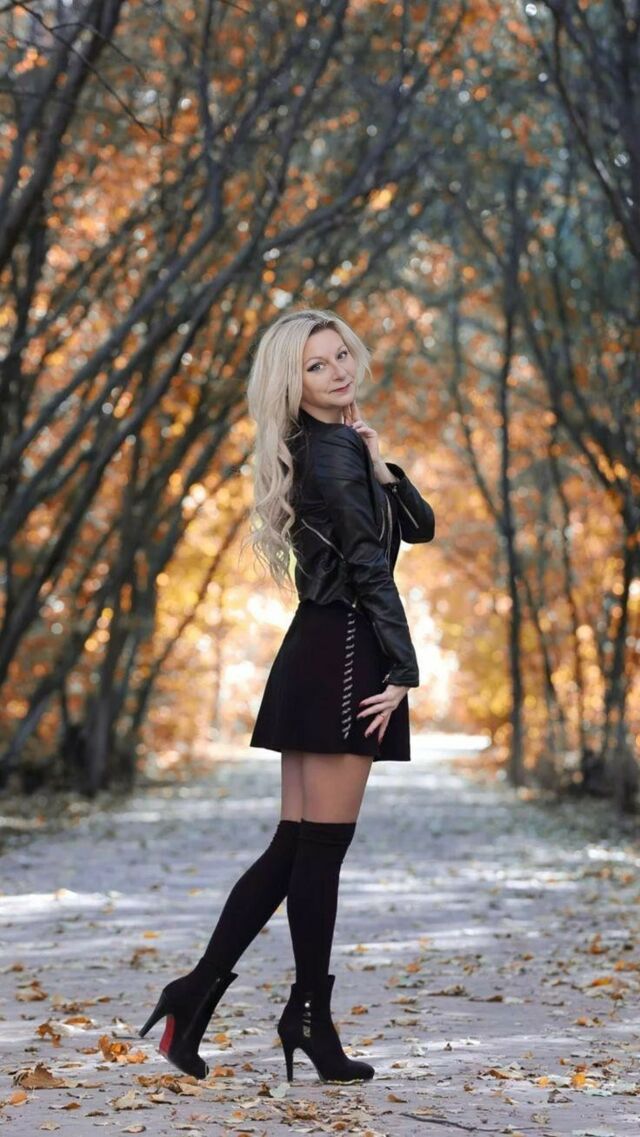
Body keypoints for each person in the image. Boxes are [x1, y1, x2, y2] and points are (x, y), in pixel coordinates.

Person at [138, 308, 435, 1085]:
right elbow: (369, 566)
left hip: (318, 647)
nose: (337, 372)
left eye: (341, 356)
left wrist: (383, 466)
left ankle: (198, 997)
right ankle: (302, 1017)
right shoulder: (329, 454)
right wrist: (404, 669)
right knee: (319, 849)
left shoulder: (334, 447)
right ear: (291, 383)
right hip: (349, 651)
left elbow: (421, 528)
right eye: (316, 365)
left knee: (296, 845)